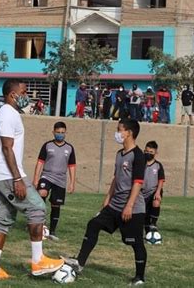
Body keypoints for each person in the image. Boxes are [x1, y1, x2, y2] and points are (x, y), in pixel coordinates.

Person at [0, 79, 64, 280]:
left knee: (3, 218)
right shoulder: (7, 114)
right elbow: (6, 147)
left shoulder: (10, 113)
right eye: (24, 91)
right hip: (7, 174)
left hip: (2, 173)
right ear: (13, 94)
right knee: (37, 207)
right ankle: (38, 261)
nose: (27, 95)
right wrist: (17, 178)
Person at [63, 119, 148, 286]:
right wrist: (106, 201)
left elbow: (138, 182)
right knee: (93, 224)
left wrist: (129, 206)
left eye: (119, 130)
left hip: (133, 208)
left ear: (129, 133)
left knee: (134, 242)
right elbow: (116, 179)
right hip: (114, 205)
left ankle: (139, 277)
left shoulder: (138, 155)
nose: (117, 133)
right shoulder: (119, 154)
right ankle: (80, 263)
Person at [33, 121, 76, 241]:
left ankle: (52, 231)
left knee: (56, 205)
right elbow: (40, 162)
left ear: (66, 133)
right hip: (46, 176)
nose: (60, 134)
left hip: (60, 180)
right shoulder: (47, 145)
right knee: (41, 193)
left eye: (62, 133)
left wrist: (72, 182)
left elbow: (72, 165)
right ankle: (38, 225)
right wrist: (36, 178)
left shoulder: (69, 148)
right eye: (58, 132)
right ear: (53, 132)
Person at [143, 141, 165, 235]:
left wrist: (158, 192)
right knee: (144, 214)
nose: (148, 154)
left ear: (155, 153)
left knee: (156, 202)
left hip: (154, 191)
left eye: (151, 152)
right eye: (146, 151)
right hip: (142, 193)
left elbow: (161, 180)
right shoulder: (140, 163)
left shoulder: (158, 165)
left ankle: (153, 224)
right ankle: (148, 231)